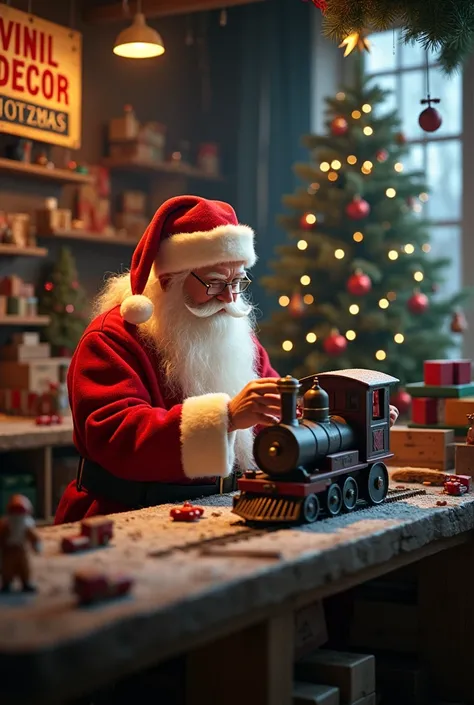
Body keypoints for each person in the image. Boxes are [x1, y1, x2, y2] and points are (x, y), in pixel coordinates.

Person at [55, 195, 399, 524]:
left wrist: (350, 424)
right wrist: (227, 417)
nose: (230, 297)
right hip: (123, 514)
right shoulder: (112, 338)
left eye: (238, 281)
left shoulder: (235, 335)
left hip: (220, 509)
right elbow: (117, 438)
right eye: (216, 282)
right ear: (167, 280)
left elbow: (281, 421)